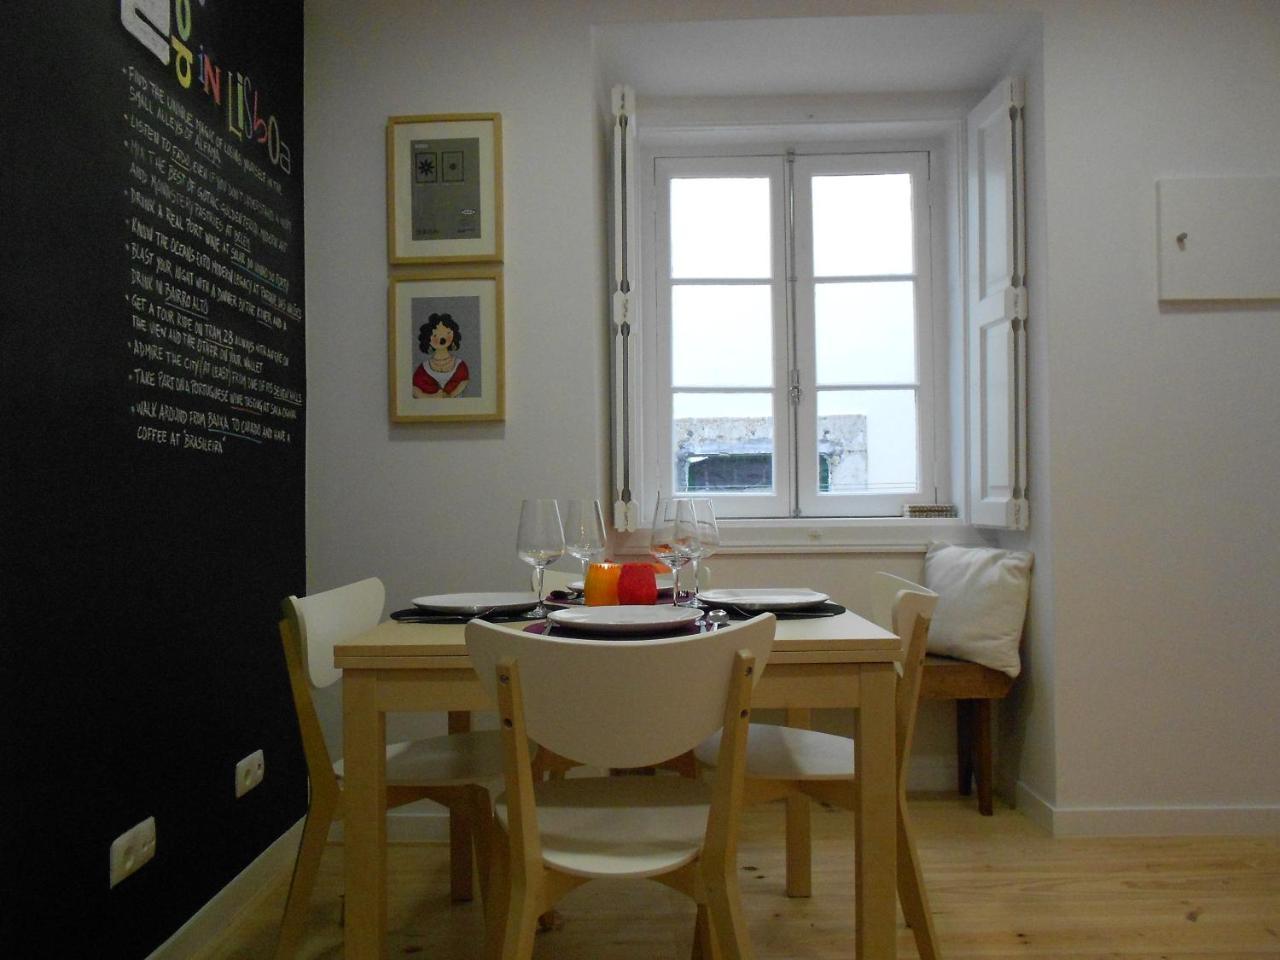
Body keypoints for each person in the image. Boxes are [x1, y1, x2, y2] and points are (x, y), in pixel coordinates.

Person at [412, 312, 469, 397]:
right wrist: (431, 397)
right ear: (428, 340)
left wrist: (451, 395)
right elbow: (415, 389)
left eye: (447, 333)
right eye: (435, 335)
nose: (442, 339)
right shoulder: (423, 369)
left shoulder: (460, 366)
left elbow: (463, 382)